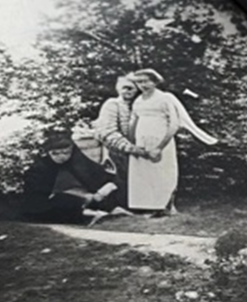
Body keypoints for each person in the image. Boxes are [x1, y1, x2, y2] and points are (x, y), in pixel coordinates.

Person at [121, 68, 217, 214]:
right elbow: (133, 122)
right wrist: (132, 144)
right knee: (145, 174)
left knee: (164, 172)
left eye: (146, 81)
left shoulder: (165, 98)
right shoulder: (138, 101)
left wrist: (160, 146)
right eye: (139, 82)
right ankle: (152, 207)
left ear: (154, 81)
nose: (143, 85)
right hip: (141, 141)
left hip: (160, 139)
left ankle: (168, 206)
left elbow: (174, 124)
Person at [15, 131, 123, 224]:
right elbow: (35, 198)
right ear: (48, 153)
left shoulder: (79, 162)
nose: (61, 157)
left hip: (87, 198)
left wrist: (96, 195)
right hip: (53, 204)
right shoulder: (40, 169)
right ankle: (90, 214)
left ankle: (104, 210)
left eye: (66, 152)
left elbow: (98, 179)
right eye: (55, 153)